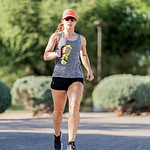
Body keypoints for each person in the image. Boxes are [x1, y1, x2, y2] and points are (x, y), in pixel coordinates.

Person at [43, 9, 94, 150]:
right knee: (58, 111)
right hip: (59, 76)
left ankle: (71, 142)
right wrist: (58, 53)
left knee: (74, 107)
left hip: (76, 77)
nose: (70, 22)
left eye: (72, 19)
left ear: (76, 21)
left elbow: (84, 55)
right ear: (63, 21)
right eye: (67, 19)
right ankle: (57, 135)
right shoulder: (56, 36)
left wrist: (89, 71)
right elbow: (46, 55)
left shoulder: (81, 39)